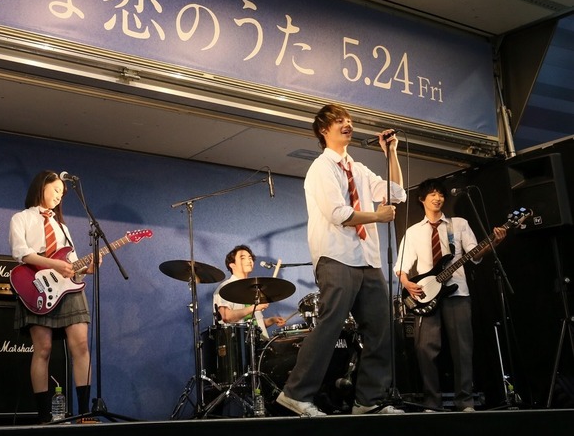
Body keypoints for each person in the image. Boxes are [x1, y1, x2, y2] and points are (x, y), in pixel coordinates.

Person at [276, 103, 407, 417]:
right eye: (339, 121)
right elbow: (338, 213)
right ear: (324, 130)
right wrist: (376, 216)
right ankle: (295, 394)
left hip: (368, 258)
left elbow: (396, 193)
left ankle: (368, 400)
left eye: (349, 120)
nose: (347, 124)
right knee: (330, 326)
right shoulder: (322, 168)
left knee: (380, 328)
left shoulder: (357, 168)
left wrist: (390, 152)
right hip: (336, 256)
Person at [394, 178, 506, 412]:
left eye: (441, 194)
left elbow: (475, 254)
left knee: (463, 348)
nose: (438, 198)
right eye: (433, 194)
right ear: (422, 199)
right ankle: (432, 401)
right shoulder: (413, 232)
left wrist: (493, 242)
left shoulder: (459, 224)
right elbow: (401, 267)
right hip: (426, 295)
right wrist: (407, 283)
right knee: (425, 349)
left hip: (458, 293)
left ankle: (465, 400)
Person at [8, 170, 94, 423]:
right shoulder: (21, 218)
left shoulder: (62, 226)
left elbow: (72, 263)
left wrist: (87, 267)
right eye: (56, 190)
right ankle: (44, 416)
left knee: (81, 345)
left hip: (67, 288)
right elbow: (21, 253)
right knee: (43, 349)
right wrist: (55, 265)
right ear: (41, 186)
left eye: (62, 194)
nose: (59, 196)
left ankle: (84, 413)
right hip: (36, 284)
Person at [213, 245, 287, 339]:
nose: (249, 260)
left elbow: (255, 324)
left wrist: (272, 320)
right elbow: (226, 317)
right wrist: (254, 307)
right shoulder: (225, 288)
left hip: (259, 342)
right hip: (237, 343)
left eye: (250, 258)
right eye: (243, 258)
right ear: (232, 265)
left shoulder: (253, 289)